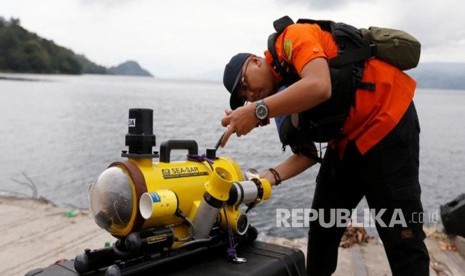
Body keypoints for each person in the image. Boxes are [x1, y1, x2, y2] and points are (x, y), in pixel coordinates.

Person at [220, 17, 430, 276]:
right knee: (322, 229)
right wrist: (269, 177)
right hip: (347, 143)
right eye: (243, 97)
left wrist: (258, 111)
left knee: (403, 236)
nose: (249, 95)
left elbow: (320, 85)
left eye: (244, 84)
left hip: (387, 121)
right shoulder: (280, 100)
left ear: (255, 61)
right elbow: (306, 154)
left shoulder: (292, 38)